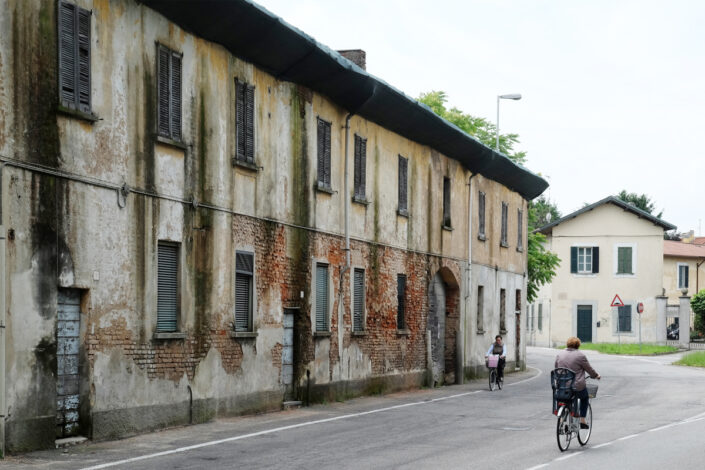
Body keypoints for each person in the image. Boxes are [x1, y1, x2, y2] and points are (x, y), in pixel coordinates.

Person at [554, 337, 601, 429]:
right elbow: (589, 369)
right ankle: (582, 419)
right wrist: (596, 375)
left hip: (562, 386)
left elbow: (556, 369)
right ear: (578, 345)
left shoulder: (559, 354)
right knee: (585, 398)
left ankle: (561, 419)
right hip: (576, 387)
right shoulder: (580, 356)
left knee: (563, 399)